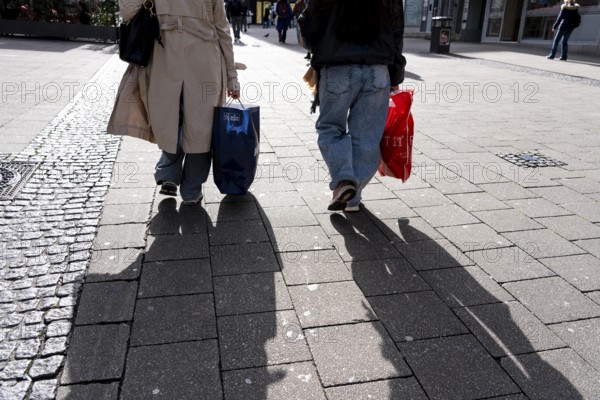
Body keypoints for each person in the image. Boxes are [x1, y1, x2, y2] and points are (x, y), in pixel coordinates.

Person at [109, 0, 241, 205]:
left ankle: (169, 173)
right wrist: (232, 75)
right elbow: (223, 30)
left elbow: (127, 12)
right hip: (204, 59)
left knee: (171, 116)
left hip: (164, 55)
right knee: (202, 127)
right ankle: (191, 189)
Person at [301, 0, 406, 211]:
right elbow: (396, 31)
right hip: (377, 69)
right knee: (366, 136)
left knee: (331, 127)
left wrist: (320, 47)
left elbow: (308, 24)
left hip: (337, 67)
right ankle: (352, 197)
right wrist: (396, 73)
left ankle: (343, 182)